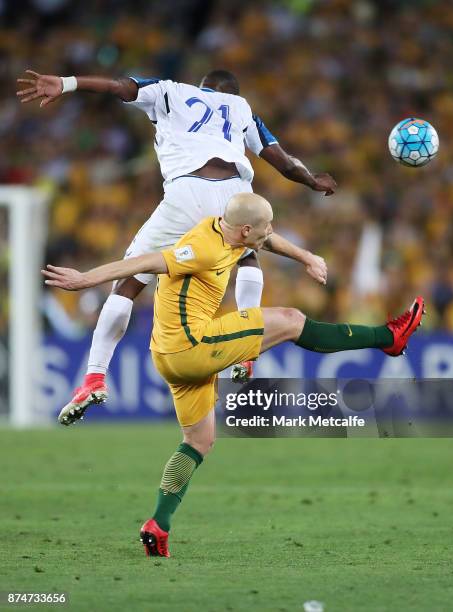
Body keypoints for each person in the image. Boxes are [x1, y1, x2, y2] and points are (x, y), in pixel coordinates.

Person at [42, 192, 424, 558]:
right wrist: (85, 279)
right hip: (192, 346)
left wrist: (305, 256)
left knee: (199, 440)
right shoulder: (202, 248)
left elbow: (269, 241)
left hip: (169, 355)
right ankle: (388, 337)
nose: (271, 230)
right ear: (245, 231)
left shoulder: (231, 232)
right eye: (266, 226)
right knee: (291, 320)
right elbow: (141, 263)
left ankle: (158, 524)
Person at [17, 67, 337, 413]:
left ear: (202, 86)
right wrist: (312, 181)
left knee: (128, 284)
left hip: (188, 190)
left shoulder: (171, 90)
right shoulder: (242, 108)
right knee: (248, 252)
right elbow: (285, 163)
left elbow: (119, 87)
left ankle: (94, 377)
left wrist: (66, 84)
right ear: (232, 91)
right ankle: (247, 354)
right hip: (235, 190)